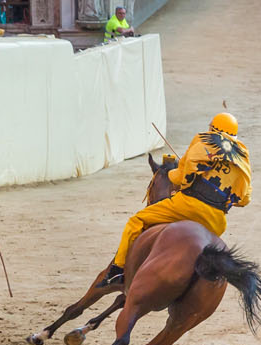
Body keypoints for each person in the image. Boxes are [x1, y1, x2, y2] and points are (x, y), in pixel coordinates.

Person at [104, 113, 251, 283]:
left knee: (136, 221)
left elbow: (182, 178)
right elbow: (244, 199)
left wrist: (173, 171)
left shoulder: (204, 141)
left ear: (213, 129)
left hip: (188, 205)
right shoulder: (243, 157)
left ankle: (118, 269)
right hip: (217, 221)